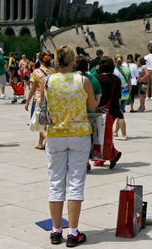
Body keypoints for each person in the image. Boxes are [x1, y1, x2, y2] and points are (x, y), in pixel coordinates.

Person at [45, 46, 98, 246]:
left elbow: (45, 105)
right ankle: (74, 232)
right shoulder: (82, 80)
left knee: (55, 182)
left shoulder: (49, 80)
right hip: (78, 133)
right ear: (73, 61)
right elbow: (93, 106)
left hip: (56, 134)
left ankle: (56, 230)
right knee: (76, 182)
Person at [94, 56, 124, 169]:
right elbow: (119, 97)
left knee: (99, 135)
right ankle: (109, 155)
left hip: (99, 110)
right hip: (113, 110)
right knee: (105, 134)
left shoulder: (97, 78)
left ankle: (109, 155)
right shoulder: (117, 79)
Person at [25, 52, 55, 150]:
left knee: (39, 121)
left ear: (40, 60)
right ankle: (40, 142)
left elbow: (32, 89)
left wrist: (27, 101)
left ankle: (47, 140)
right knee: (46, 120)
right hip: (51, 97)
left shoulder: (36, 72)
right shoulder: (53, 71)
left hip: (39, 98)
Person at [113, 54, 130, 140]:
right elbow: (129, 82)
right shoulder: (127, 69)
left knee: (120, 115)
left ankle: (124, 134)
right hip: (126, 93)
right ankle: (115, 131)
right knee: (120, 112)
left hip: (118, 94)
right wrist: (129, 93)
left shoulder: (114, 70)